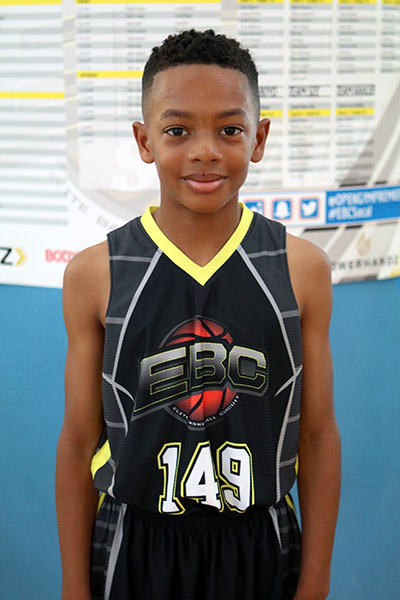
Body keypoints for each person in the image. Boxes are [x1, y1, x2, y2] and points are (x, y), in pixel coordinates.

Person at [56, 29, 341, 600]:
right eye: (178, 130)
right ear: (145, 140)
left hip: (259, 542)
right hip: (133, 541)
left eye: (229, 129)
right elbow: (79, 439)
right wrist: (72, 585)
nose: (205, 151)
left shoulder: (300, 268)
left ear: (259, 138)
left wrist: (315, 580)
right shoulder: (97, 273)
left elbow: (317, 434)